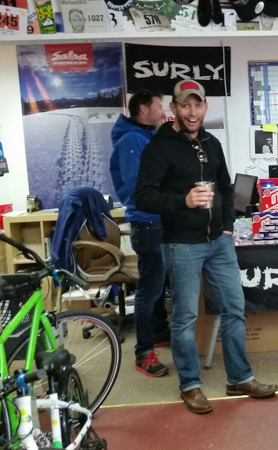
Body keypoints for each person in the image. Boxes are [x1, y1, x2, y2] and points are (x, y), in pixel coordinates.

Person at [135, 79, 277, 415]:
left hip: (219, 242)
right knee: (184, 318)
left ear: (204, 108)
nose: (192, 111)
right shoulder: (159, 147)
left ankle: (239, 378)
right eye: (185, 105)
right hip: (182, 244)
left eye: (198, 105)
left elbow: (227, 188)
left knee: (234, 309)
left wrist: (227, 226)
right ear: (174, 108)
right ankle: (190, 386)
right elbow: (142, 196)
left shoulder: (212, 143)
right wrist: (182, 200)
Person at [110, 89, 170, 378]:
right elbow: (141, 187)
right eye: (159, 105)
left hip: (156, 221)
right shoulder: (133, 140)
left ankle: (158, 332)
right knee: (148, 291)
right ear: (144, 109)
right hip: (149, 223)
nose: (163, 110)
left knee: (156, 286)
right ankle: (143, 353)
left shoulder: (145, 136)